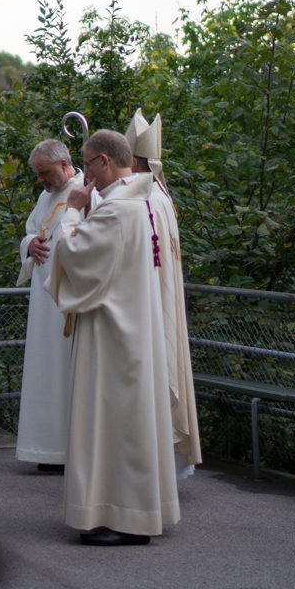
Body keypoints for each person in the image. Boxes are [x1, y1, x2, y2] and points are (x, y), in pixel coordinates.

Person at [50, 128, 179, 545]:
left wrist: (72, 211)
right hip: (132, 326)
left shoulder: (118, 209)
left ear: (103, 161)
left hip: (113, 335)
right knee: (125, 424)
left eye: (86, 165)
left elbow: (72, 255)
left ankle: (127, 519)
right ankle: (130, 510)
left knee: (115, 425)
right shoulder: (145, 201)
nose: (85, 175)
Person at [127, 109, 202, 476]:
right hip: (161, 301)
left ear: (134, 161)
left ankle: (152, 467)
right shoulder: (161, 196)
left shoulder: (143, 199)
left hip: (148, 304)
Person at [13, 138, 84, 471]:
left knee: (70, 373)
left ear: (65, 164)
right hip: (43, 303)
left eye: (45, 173)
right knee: (45, 371)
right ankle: (45, 448)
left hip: (72, 298)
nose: (41, 181)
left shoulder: (87, 192)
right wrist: (30, 245)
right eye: (38, 174)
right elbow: (30, 230)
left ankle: (73, 449)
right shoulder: (45, 197)